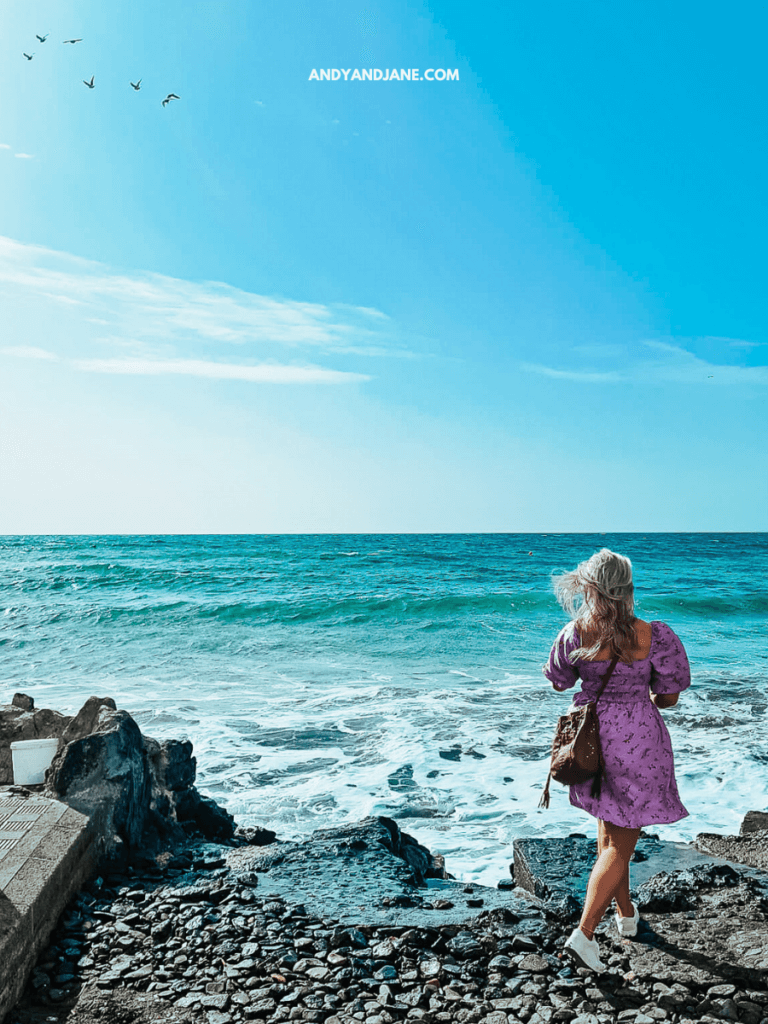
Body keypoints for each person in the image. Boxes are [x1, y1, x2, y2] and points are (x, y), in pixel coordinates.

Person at [542, 548, 690, 973]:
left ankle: (626, 917)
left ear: (588, 587)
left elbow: (558, 682)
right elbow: (669, 696)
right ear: (627, 588)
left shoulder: (575, 632)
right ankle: (584, 934)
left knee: (611, 836)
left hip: (590, 739)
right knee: (621, 841)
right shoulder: (653, 634)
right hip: (638, 740)